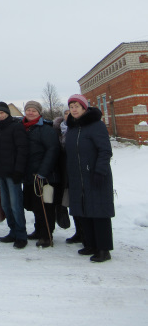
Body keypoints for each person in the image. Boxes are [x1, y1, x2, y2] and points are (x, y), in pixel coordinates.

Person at [65, 93, 114, 263]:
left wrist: (100, 172)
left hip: (95, 176)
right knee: (84, 211)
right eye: (71, 107)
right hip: (78, 177)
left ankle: (103, 249)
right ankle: (90, 244)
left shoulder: (96, 125)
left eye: (77, 106)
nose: (74, 110)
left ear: (85, 108)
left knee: (99, 212)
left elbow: (105, 150)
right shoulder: (72, 128)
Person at [22, 100, 60, 248]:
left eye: (34, 110)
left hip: (44, 176)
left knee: (46, 207)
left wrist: (43, 172)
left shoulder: (45, 129)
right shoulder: (25, 128)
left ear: (39, 112)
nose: (30, 113)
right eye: (28, 110)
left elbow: (52, 150)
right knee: (36, 205)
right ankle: (38, 230)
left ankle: (47, 234)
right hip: (30, 175)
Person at [0, 101, 28, 249]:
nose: (0, 116)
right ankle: (12, 231)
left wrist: (18, 170)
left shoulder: (16, 127)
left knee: (15, 205)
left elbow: (22, 150)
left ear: (7, 113)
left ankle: (21, 234)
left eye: (2, 113)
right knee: (6, 205)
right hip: (1, 173)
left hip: (13, 174)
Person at [53, 108, 83, 245]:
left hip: (75, 170)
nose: (68, 115)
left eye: (69, 113)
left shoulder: (77, 128)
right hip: (61, 170)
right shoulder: (57, 130)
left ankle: (82, 231)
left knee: (78, 201)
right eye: (66, 113)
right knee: (65, 200)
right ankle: (76, 230)